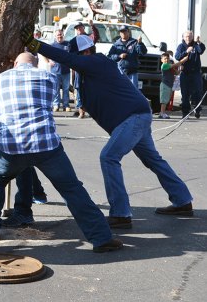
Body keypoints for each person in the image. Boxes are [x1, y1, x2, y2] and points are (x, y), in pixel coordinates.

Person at [25, 33, 194, 229]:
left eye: (77, 55)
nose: (74, 60)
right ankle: (182, 200)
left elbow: (66, 58)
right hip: (135, 116)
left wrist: (37, 45)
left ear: (86, 52)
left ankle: (121, 214)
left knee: (109, 157)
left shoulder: (96, 61)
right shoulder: (89, 72)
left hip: (133, 117)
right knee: (152, 160)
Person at [0, 52, 120, 252]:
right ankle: (101, 238)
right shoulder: (48, 77)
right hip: (46, 147)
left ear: (14, 63)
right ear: (34, 64)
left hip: (10, 147)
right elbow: (49, 100)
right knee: (72, 189)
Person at [69, 21, 100, 118]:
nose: (79, 29)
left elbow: (96, 36)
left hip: (89, 67)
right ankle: (81, 110)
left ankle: (90, 109)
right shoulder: (73, 41)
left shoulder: (89, 37)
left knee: (90, 88)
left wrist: (92, 25)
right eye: (77, 28)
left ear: (83, 28)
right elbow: (70, 54)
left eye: (80, 27)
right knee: (78, 89)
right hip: (78, 69)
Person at [175, 30, 205, 119]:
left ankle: (197, 109)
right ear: (183, 37)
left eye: (190, 36)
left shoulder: (195, 45)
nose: (188, 38)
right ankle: (185, 112)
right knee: (185, 93)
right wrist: (186, 52)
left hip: (196, 73)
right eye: (187, 36)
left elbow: (201, 51)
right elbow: (177, 56)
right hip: (185, 74)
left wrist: (199, 42)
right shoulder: (181, 46)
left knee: (198, 92)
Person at [107, 25, 147, 89]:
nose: (123, 33)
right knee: (120, 90)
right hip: (120, 72)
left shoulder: (135, 42)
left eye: (125, 31)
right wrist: (119, 56)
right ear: (120, 33)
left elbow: (143, 52)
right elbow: (109, 57)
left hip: (132, 72)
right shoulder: (116, 44)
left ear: (128, 32)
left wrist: (140, 43)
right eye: (121, 32)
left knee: (133, 91)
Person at [159, 52, 188, 119]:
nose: (166, 60)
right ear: (162, 60)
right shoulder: (164, 65)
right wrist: (183, 60)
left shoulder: (169, 65)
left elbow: (177, 73)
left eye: (168, 58)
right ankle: (162, 113)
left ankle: (163, 112)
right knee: (164, 100)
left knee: (166, 100)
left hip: (169, 85)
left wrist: (180, 69)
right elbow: (176, 65)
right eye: (165, 59)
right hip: (164, 85)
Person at [48, 29, 71, 112]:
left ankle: (66, 105)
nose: (59, 36)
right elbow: (44, 54)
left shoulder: (68, 44)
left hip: (66, 71)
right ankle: (56, 105)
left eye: (60, 34)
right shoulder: (52, 45)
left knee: (66, 89)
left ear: (63, 35)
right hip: (55, 71)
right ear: (55, 36)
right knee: (56, 89)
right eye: (58, 35)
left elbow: (71, 55)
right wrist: (49, 61)